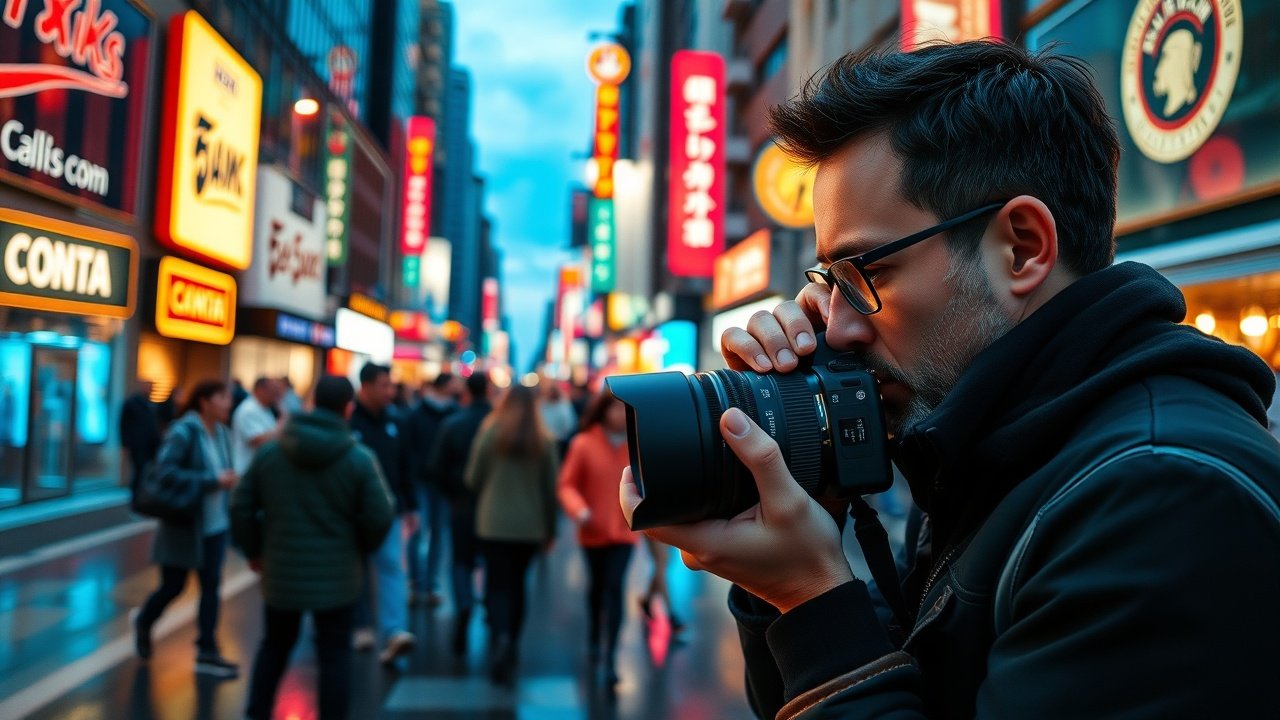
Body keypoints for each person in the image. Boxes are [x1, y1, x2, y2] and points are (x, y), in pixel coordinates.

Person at [621, 41, 1280, 719]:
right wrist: (785, 558)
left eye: (864, 274)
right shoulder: (999, 450)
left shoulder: (1163, 498)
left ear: (1021, 247)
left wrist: (812, 600)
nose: (839, 326)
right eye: (828, 282)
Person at [231, 375, 395, 720]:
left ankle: (256, 712)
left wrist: (255, 550)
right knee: (334, 655)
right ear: (348, 408)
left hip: (281, 570)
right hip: (338, 574)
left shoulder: (273, 453)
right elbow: (381, 514)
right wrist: (360, 548)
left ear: (311, 402)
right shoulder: (358, 458)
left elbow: (241, 506)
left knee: (274, 647)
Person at [134, 380, 239, 678]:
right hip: (184, 526)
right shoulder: (184, 431)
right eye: (222, 397)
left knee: (211, 588)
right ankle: (144, 620)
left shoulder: (221, 433)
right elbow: (166, 473)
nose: (228, 404)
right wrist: (212, 480)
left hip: (215, 526)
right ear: (205, 401)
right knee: (173, 586)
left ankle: (207, 650)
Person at [466, 383, 559, 685]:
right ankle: (512, 642)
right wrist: (551, 529)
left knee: (496, 583)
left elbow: (472, 478)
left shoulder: (491, 433)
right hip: (529, 526)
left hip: (492, 523)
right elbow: (550, 491)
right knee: (518, 585)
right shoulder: (543, 440)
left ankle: (498, 637)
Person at [556, 390, 636, 686]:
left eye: (622, 409)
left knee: (614, 588)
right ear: (602, 411)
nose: (618, 415)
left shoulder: (636, 446)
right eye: (612, 408)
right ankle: (593, 635)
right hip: (592, 532)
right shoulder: (583, 443)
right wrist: (580, 511)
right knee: (597, 587)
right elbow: (566, 484)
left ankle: (611, 656)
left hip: (625, 532)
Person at [349, 362, 418, 664]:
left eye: (391, 385)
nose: (390, 391)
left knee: (391, 566)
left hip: (389, 509)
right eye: (384, 385)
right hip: (353, 511)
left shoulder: (396, 421)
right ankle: (361, 624)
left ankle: (393, 631)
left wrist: (411, 504)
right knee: (357, 567)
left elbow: (405, 465)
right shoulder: (350, 423)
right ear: (365, 386)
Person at [429, 371, 493, 657]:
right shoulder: (499, 425)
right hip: (494, 508)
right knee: (494, 562)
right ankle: (493, 611)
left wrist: (453, 494)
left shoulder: (453, 424)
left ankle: (465, 602)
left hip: (462, 506)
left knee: (461, 562)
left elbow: (436, 468)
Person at [406, 373, 460, 607]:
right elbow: (409, 450)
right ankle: (417, 583)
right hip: (424, 481)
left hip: (441, 484)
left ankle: (429, 584)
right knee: (422, 532)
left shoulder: (453, 413)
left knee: (437, 533)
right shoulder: (418, 413)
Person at [231, 378, 286, 476]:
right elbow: (257, 440)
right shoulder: (248, 410)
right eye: (272, 390)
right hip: (246, 470)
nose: (275, 394)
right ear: (260, 390)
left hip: (259, 469)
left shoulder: (265, 408)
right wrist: (282, 425)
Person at [120, 379, 162, 490]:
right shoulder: (132, 402)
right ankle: (137, 495)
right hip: (137, 444)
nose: (150, 389)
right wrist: (125, 444)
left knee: (147, 469)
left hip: (150, 444)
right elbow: (124, 425)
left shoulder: (150, 403)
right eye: (148, 386)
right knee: (139, 470)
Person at [538, 379, 578, 458]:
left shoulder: (563, 404)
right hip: (549, 441)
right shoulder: (543, 404)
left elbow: (570, 425)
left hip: (559, 442)